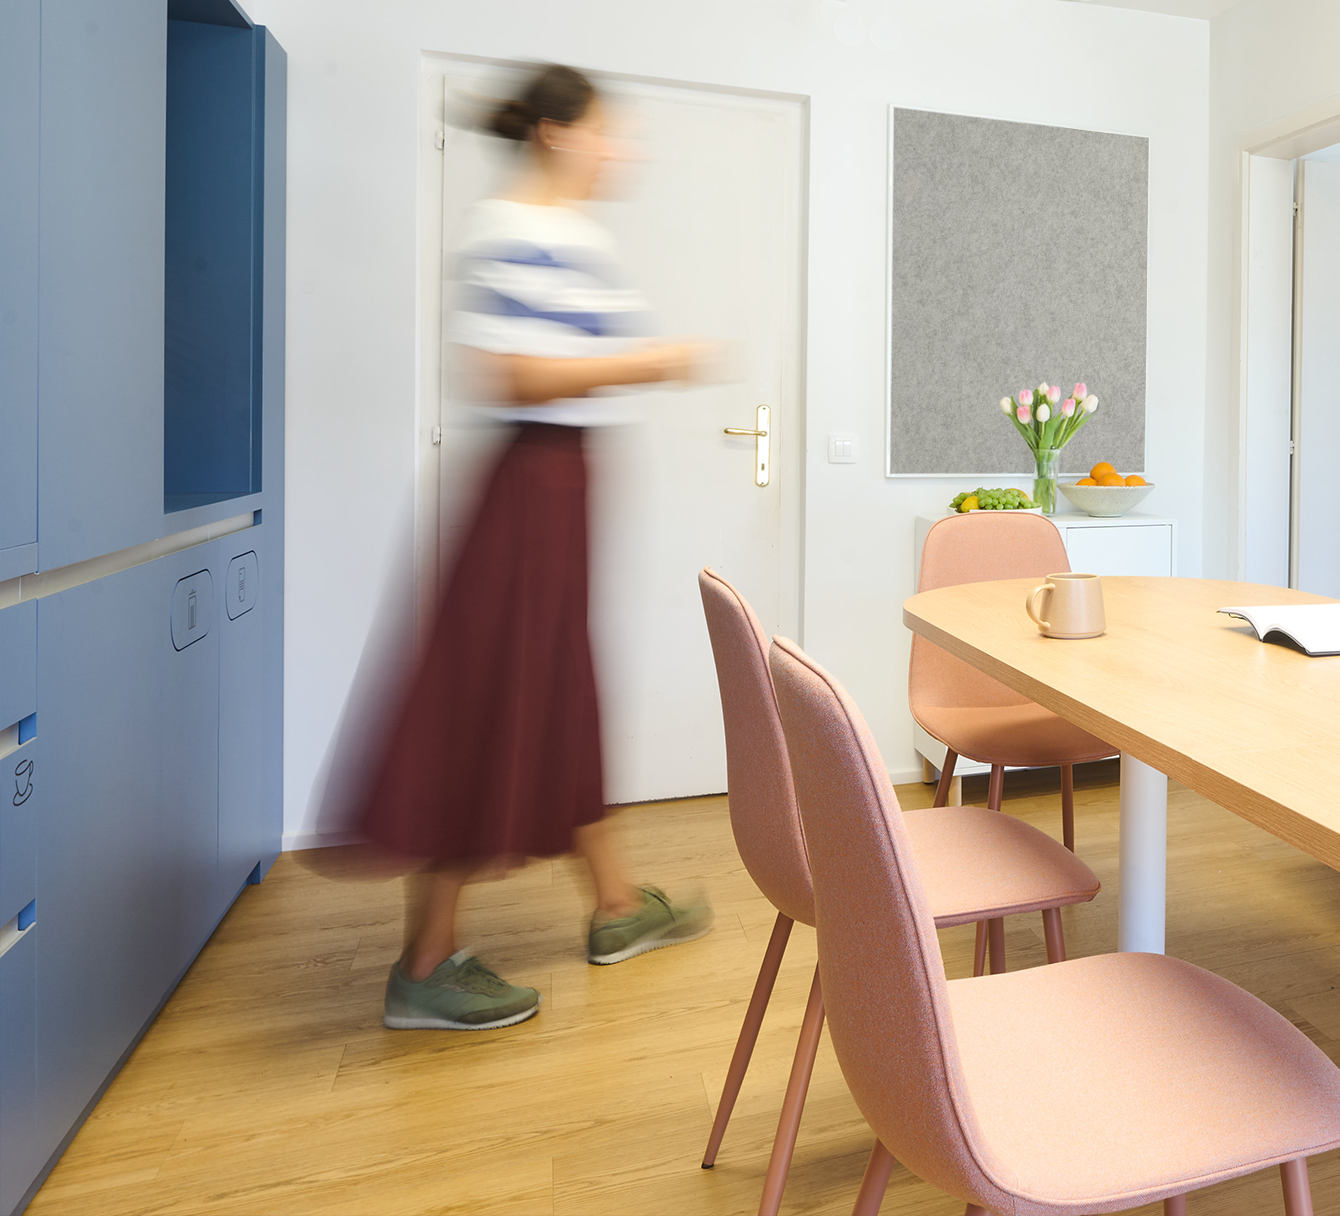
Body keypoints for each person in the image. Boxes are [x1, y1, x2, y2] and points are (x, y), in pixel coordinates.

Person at [362, 64, 713, 1031]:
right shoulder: (510, 227)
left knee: (556, 688)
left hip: (559, 486)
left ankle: (613, 906)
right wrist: (659, 360)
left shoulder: (568, 233)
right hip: (530, 484)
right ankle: (427, 962)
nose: (621, 149)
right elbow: (512, 371)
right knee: (494, 696)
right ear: (559, 135)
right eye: (607, 131)